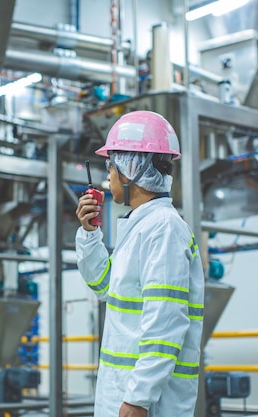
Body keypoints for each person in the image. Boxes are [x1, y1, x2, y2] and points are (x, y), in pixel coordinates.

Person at [75, 110, 204, 417]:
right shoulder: (140, 227)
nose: (108, 176)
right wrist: (90, 234)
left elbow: (166, 321)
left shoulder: (163, 229)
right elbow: (104, 286)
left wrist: (138, 398)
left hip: (148, 403)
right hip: (123, 393)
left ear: (130, 168)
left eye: (111, 166)